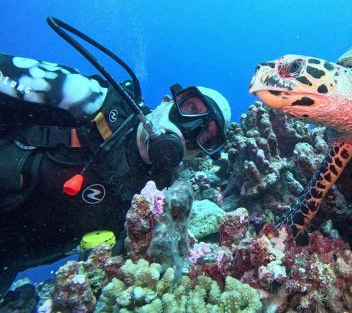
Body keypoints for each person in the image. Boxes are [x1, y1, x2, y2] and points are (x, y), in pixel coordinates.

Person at [0, 18, 231, 295]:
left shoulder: (161, 199)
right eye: (191, 108)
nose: (191, 129)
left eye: (208, 136)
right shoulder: (86, 97)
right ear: (167, 102)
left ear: (200, 155)